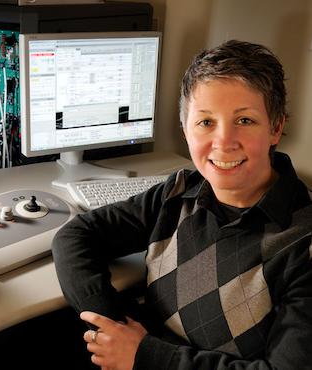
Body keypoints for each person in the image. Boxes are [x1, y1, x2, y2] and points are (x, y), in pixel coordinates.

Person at [51, 39, 312, 370]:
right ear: (185, 130)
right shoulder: (178, 193)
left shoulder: (303, 244)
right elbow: (75, 235)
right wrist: (112, 329)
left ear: (276, 127)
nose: (224, 142)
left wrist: (144, 355)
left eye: (245, 120)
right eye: (206, 122)